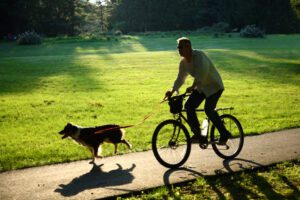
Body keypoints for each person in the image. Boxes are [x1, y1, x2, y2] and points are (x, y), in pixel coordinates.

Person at [165, 37, 231, 145]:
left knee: (209, 109)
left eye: (181, 47)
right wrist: (171, 91)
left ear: (188, 47)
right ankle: (197, 134)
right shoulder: (183, 63)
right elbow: (180, 79)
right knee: (188, 106)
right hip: (201, 88)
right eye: (178, 47)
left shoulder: (199, 56)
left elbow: (202, 74)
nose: (179, 50)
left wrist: (193, 86)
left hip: (214, 86)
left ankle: (224, 133)